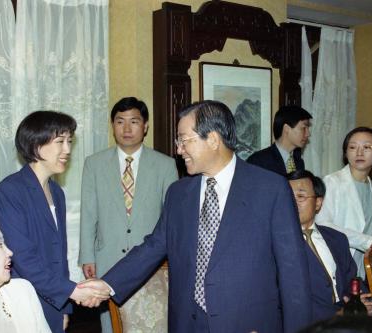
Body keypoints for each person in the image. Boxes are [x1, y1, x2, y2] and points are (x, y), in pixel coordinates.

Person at [80, 100, 312, 333]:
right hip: (187, 324)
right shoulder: (179, 194)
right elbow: (153, 247)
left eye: (184, 140)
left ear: (212, 139)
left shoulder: (270, 189)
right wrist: (107, 283)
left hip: (247, 324)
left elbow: (293, 274)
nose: (179, 150)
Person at [0, 111, 108, 333]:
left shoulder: (57, 191)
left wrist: (64, 308)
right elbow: (23, 257)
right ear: (36, 145)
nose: (67, 150)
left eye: (69, 142)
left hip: (54, 301)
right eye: (60, 142)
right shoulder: (9, 191)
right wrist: (71, 292)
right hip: (22, 302)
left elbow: (59, 256)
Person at [78, 97, 178, 332]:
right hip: (107, 259)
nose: (126, 128)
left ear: (145, 126)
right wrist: (87, 256)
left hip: (151, 265)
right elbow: (88, 212)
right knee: (111, 324)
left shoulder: (165, 165)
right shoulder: (94, 164)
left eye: (134, 121)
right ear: (112, 126)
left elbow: (172, 218)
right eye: (120, 121)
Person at [287, 170, 372, 322]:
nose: (293, 202)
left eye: (300, 196)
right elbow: (287, 299)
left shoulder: (337, 238)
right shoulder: (278, 244)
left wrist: (359, 301)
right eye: (288, 197)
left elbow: (352, 279)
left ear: (318, 203)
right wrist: (335, 316)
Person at [315, 127, 372, 278]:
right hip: (334, 267)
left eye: (367, 147)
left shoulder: (371, 185)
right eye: (352, 147)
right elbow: (323, 225)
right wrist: (367, 241)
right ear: (346, 153)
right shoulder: (332, 182)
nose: (359, 153)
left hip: (359, 270)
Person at [247, 105, 312, 176]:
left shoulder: (299, 163)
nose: (308, 133)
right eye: (304, 128)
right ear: (286, 128)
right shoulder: (258, 162)